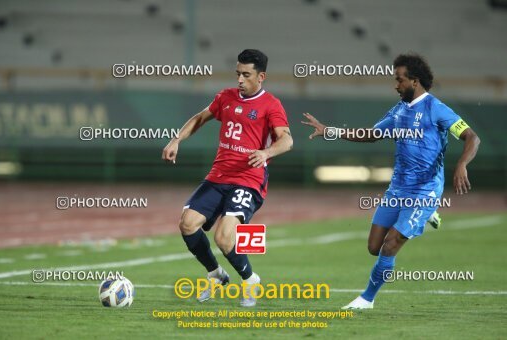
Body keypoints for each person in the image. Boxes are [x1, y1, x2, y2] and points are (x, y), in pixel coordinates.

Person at [301, 53, 480, 309]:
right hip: (398, 188)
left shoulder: (436, 108)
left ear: (415, 81)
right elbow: (371, 134)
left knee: (390, 244)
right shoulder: (398, 111)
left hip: (425, 190)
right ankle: (429, 216)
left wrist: (462, 164)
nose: (396, 85)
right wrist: (330, 131)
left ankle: (367, 298)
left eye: (400, 80)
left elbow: (472, 137)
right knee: (374, 247)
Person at [162, 49, 293, 307]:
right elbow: (200, 118)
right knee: (187, 224)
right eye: (238, 74)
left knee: (223, 237)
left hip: (248, 179)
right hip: (218, 176)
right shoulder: (226, 97)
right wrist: (176, 139)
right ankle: (215, 274)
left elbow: (287, 140)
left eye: (246, 75)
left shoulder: (271, 105)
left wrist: (266, 152)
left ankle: (250, 279)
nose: (240, 80)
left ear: (261, 76)